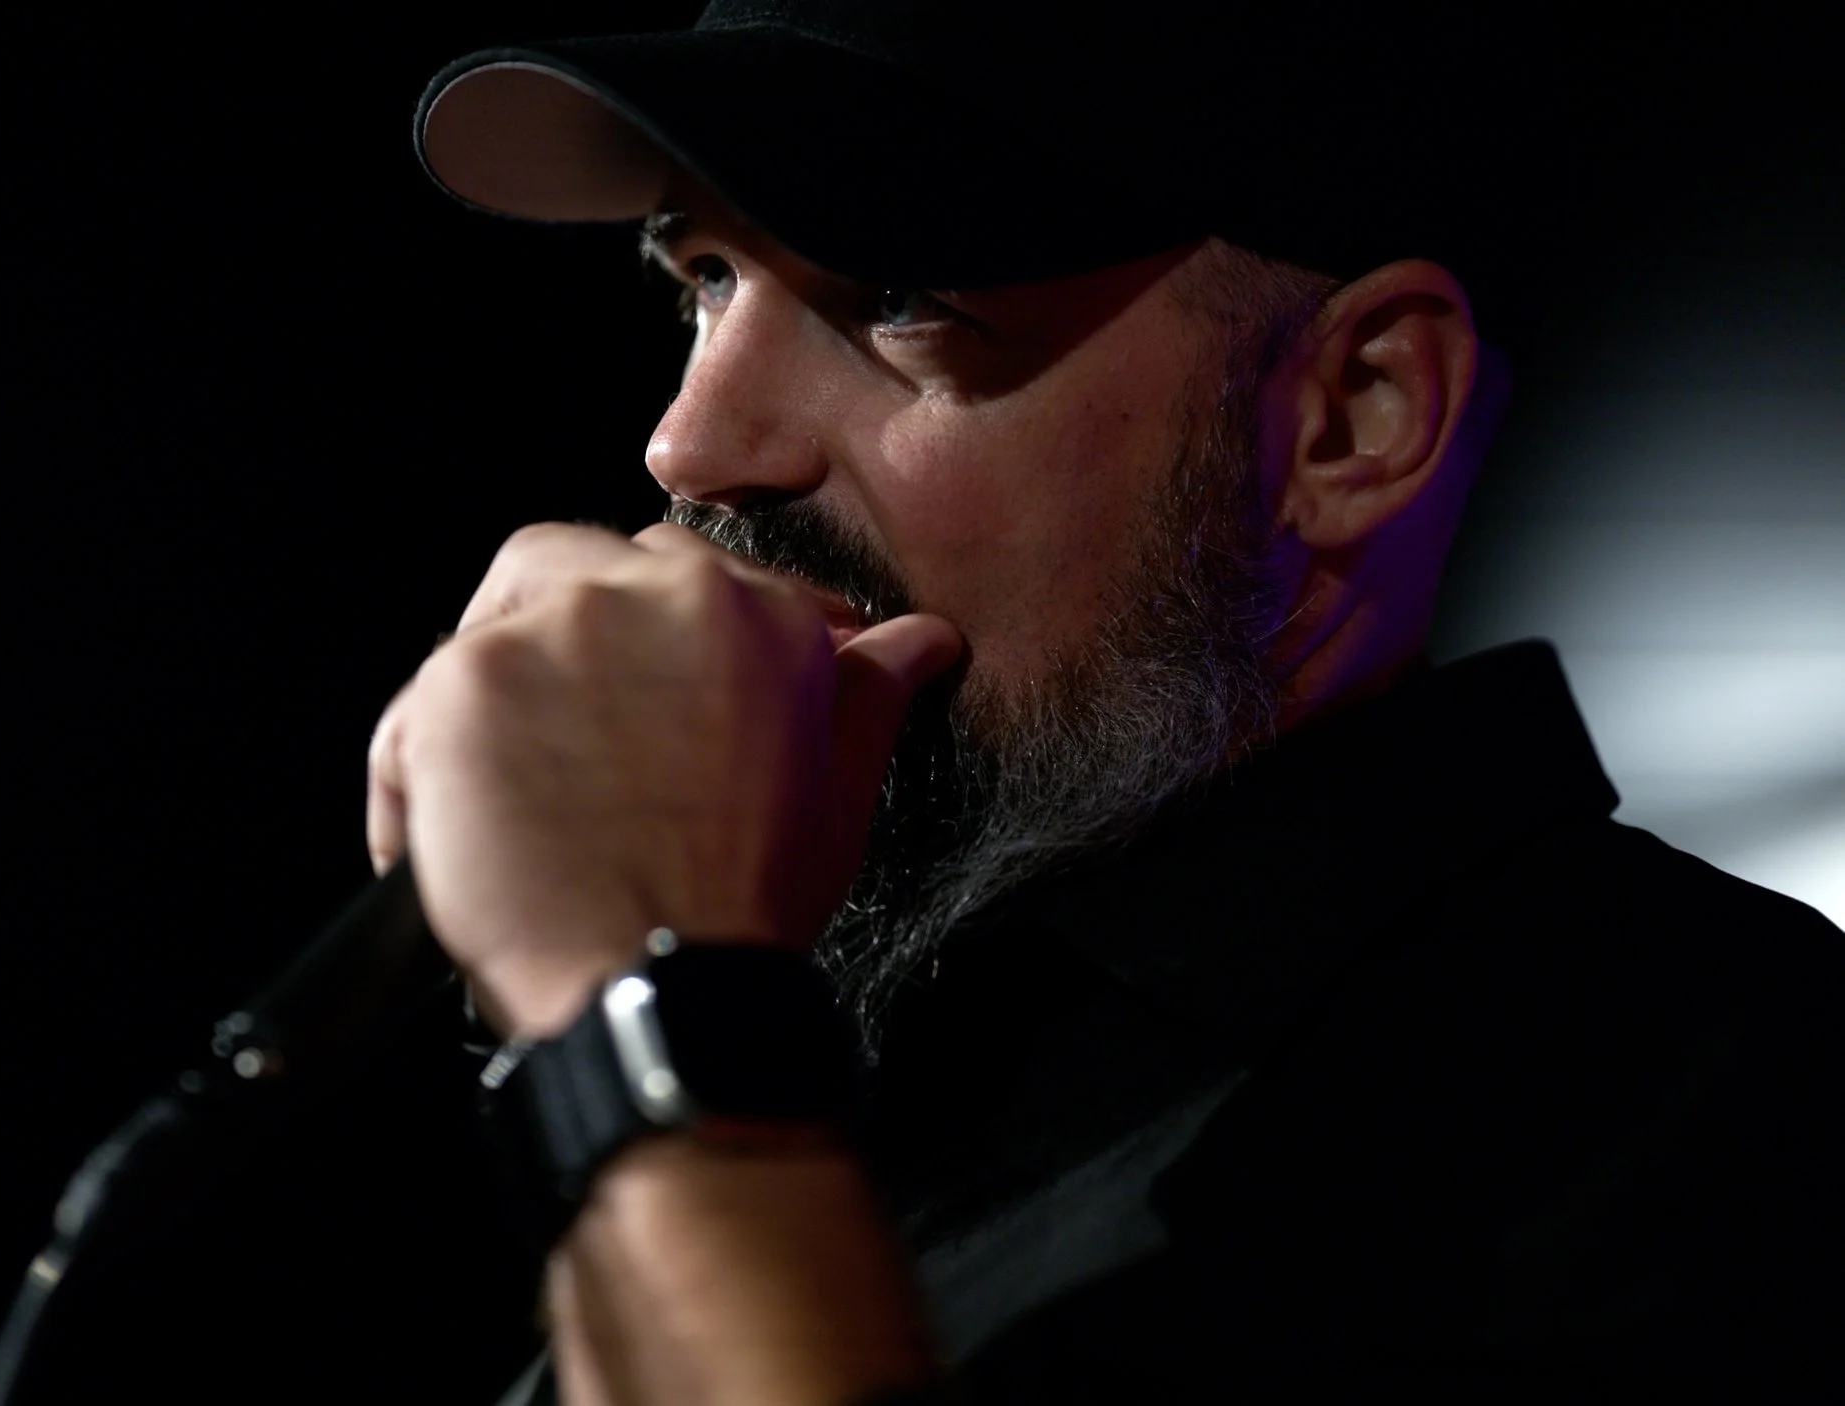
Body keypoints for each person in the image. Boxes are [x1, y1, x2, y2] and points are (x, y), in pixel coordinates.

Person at [367, 2, 1845, 1403]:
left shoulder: (1719, 1090)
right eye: (706, 279)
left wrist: (636, 1020)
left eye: (897, 298)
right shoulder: (874, 1040)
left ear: (1356, 415)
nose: (688, 446)